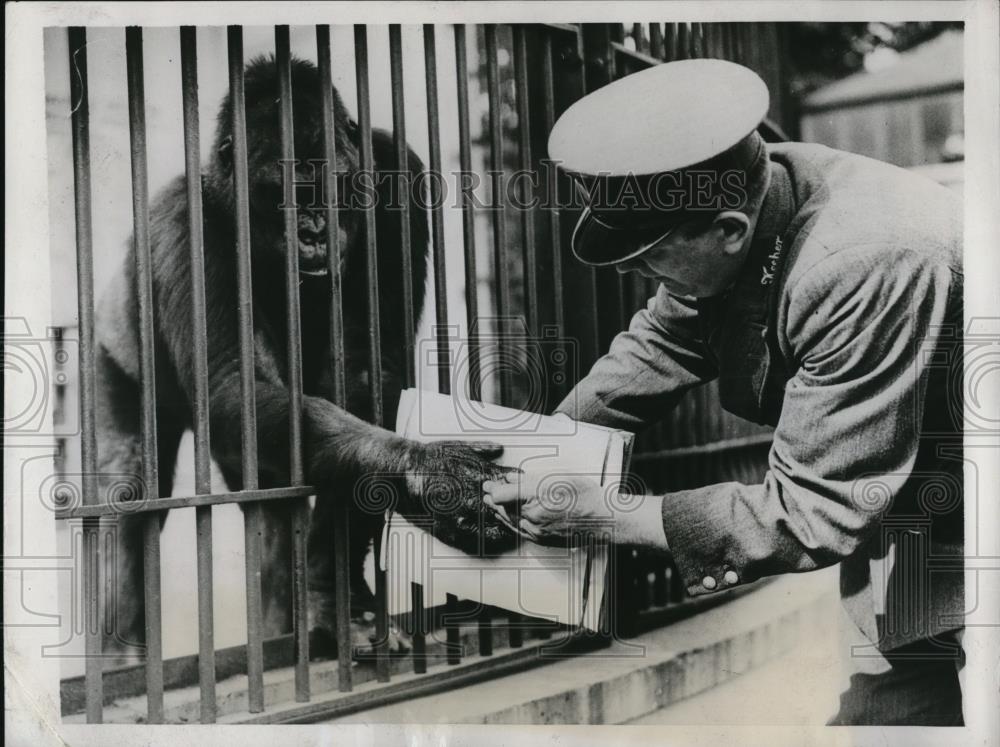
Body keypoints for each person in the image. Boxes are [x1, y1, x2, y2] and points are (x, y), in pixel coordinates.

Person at [483, 59, 965, 726]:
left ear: (729, 231)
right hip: (925, 529)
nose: (635, 274)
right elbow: (658, 346)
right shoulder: (756, 200)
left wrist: (609, 514)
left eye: (648, 257)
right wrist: (531, 457)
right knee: (888, 716)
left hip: (967, 520)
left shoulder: (861, 260)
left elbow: (811, 510)